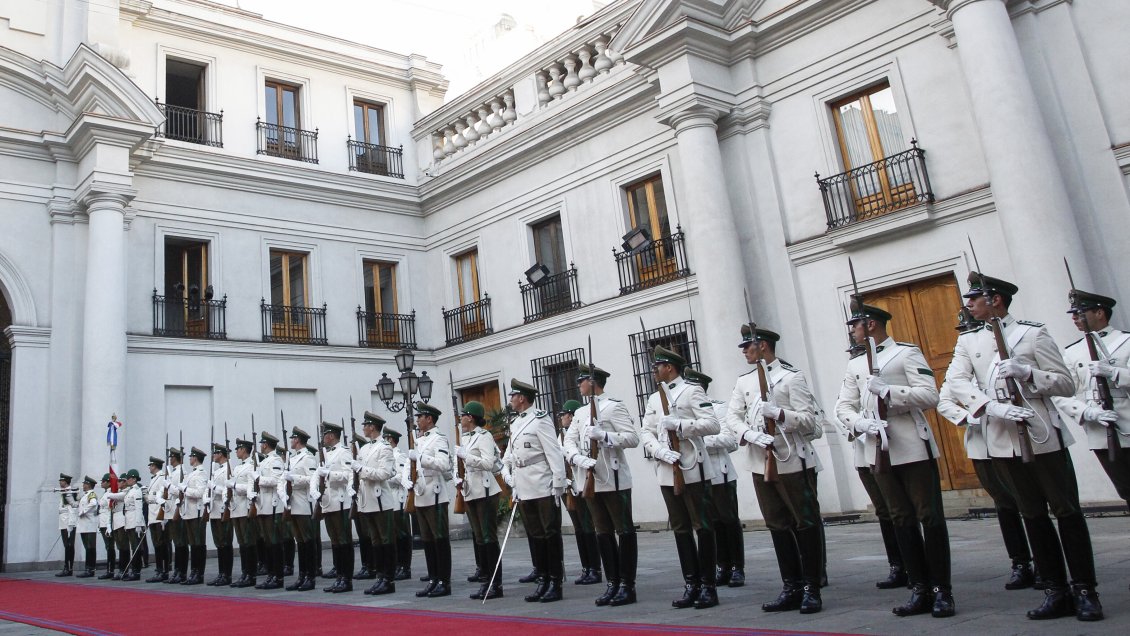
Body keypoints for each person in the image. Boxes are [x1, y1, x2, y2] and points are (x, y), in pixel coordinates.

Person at [945, 272, 1101, 621]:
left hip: (1042, 435)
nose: (969, 304)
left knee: (1066, 512)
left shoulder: (1032, 334)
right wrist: (989, 406)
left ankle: (1085, 589)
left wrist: (1030, 374)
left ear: (995, 300)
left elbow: (1065, 383)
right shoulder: (969, 341)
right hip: (1002, 439)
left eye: (975, 298)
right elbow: (955, 382)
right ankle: (1055, 589)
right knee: (1032, 515)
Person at [836, 301, 953, 618]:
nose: (852, 331)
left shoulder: (905, 353)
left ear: (870, 325)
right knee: (900, 517)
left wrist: (890, 391)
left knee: (929, 516)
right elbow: (844, 406)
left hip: (911, 446)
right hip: (878, 447)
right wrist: (860, 423)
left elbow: (929, 395)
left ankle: (942, 590)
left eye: (855, 325)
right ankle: (920, 588)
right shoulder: (855, 365)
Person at [939, 308, 1037, 590]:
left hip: (1011, 437)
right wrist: (969, 415)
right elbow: (944, 400)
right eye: (963, 332)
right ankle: (1020, 561)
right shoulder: (959, 369)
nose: (967, 336)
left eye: (971, 330)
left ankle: (1043, 559)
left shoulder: (998, 360)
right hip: (981, 444)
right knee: (1004, 504)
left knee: (1029, 502)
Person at [727, 327, 823, 613]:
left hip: (792, 459)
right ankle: (791, 585)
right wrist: (750, 434)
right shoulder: (744, 381)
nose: (744, 351)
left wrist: (780, 414)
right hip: (761, 460)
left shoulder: (791, 377)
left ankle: (812, 587)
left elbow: (809, 421)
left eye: (748, 345)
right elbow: (732, 417)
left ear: (764, 346)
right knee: (777, 524)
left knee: (805, 523)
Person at [640, 346, 721, 610]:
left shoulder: (691, 390)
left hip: (693, 468)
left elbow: (712, 424)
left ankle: (708, 585)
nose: (654, 371)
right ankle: (691, 583)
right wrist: (659, 451)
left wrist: (681, 426)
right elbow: (646, 432)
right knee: (681, 529)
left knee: (703, 527)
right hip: (667, 470)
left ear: (670, 367)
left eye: (657, 367)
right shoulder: (655, 399)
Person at [565, 363, 641, 606]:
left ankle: (627, 585)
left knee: (624, 531)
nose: (578, 385)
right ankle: (612, 583)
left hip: (613, 477)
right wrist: (577, 458)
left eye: (581, 380)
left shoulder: (613, 406)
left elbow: (632, 438)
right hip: (590, 478)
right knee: (602, 532)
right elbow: (569, 441)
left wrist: (605, 436)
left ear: (593, 382)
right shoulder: (579, 413)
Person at [1052, 289, 1130, 510]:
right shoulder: (1073, 351)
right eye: (1073, 314)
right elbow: (1063, 391)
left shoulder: (1125, 341)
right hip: (1100, 429)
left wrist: (1115, 372)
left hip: (1127, 422)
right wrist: (1086, 412)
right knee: (1125, 488)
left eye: (1080, 313)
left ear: (1099, 312)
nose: (1075, 318)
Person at [501, 379, 567, 603]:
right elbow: (511, 455)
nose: (511, 399)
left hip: (542, 482)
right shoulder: (516, 422)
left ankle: (555, 582)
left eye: (513, 395)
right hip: (524, 484)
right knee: (536, 535)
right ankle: (543, 579)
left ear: (522, 398)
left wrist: (558, 482)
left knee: (550, 534)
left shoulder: (540, 419)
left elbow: (553, 452)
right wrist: (511, 480)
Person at [685, 368, 746, 591]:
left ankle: (737, 567)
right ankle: (722, 565)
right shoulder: (685, 412)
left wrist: (699, 442)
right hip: (698, 473)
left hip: (720, 473)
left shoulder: (718, 408)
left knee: (729, 520)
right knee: (711, 522)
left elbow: (730, 440)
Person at [457, 401, 505, 600]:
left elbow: (488, 463)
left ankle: (495, 583)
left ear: (471, 417)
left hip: (485, 490)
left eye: (463, 415)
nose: (461, 419)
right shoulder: (464, 437)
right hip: (470, 490)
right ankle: (485, 580)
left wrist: (467, 457)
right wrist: (457, 477)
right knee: (479, 538)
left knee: (488, 537)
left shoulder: (484, 436)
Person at [409, 402, 454, 598]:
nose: (418, 420)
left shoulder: (439, 439)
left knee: (440, 539)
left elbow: (443, 464)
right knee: (427, 540)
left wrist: (421, 458)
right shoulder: (419, 440)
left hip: (435, 493)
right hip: (421, 493)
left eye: (420, 417)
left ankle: (444, 581)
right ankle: (433, 579)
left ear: (429, 419)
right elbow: (411, 465)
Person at [557, 400, 602, 587]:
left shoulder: (579, 433)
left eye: (564, 414)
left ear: (572, 415)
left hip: (581, 483)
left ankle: (595, 568)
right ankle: (586, 567)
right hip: (568, 486)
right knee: (578, 528)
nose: (562, 418)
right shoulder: (561, 435)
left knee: (587, 526)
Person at [353, 412, 399, 595]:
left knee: (386, 540)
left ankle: (389, 579)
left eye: (365, 425)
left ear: (372, 427)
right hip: (367, 500)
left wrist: (362, 470)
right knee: (375, 541)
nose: (363, 428)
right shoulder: (364, 449)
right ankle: (380, 577)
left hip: (380, 500)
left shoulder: (384, 447)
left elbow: (384, 473)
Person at [317, 420, 354, 593]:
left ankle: (346, 578)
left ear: (331, 435)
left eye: (325, 435)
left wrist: (330, 474)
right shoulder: (326, 454)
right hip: (328, 502)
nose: (323, 438)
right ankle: (339, 576)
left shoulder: (343, 452)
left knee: (344, 541)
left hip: (341, 502)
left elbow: (348, 475)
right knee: (335, 542)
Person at [285, 426, 319, 591]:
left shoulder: (308, 458)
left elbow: (312, 479)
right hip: (292, 503)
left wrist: (294, 478)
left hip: (304, 502)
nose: (291, 441)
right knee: (300, 541)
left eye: (293, 438)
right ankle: (302, 576)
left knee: (307, 541)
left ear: (297, 440)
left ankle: (310, 577)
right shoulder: (292, 458)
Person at [254, 433, 286, 589]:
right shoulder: (264, 461)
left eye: (262, 443)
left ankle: (278, 577)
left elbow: (276, 480)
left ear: (266, 444)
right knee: (268, 543)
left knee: (275, 543)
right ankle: (271, 574)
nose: (261, 446)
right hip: (263, 506)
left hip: (272, 505)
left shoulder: (275, 460)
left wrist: (259, 480)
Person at [384, 428, 413, 581]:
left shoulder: (399, 455)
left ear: (391, 440)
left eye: (386, 439)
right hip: (389, 498)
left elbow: (402, 477)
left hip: (398, 497)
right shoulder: (386, 456)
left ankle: (405, 566)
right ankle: (397, 565)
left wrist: (386, 479)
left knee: (402, 534)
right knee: (393, 535)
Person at [228, 437, 258, 588]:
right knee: (241, 543)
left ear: (244, 450)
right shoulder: (238, 468)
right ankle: (244, 572)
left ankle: (251, 575)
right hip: (236, 509)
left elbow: (250, 488)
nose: (236, 452)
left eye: (238, 449)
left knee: (249, 542)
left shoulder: (251, 466)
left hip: (246, 508)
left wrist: (235, 486)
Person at [204, 443, 234, 586]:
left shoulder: (229, 469)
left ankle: (227, 574)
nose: (213, 456)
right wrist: (206, 497)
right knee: (219, 544)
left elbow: (228, 490)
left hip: (224, 509)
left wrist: (214, 487)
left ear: (221, 454)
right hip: (214, 509)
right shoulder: (216, 470)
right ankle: (221, 573)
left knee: (225, 543)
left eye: (215, 453)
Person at [108, 469, 145, 580]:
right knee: (132, 547)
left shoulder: (136, 491)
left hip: (134, 522)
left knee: (135, 548)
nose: (127, 480)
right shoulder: (130, 491)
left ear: (134, 479)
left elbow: (139, 508)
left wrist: (138, 524)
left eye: (128, 478)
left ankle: (136, 572)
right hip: (129, 522)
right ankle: (131, 571)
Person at [179, 447, 209, 585]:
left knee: (198, 544)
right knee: (193, 544)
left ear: (195, 458)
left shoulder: (201, 473)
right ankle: (193, 572)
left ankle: (198, 573)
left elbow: (200, 493)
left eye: (191, 456)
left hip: (197, 512)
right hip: (189, 512)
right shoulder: (192, 473)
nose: (189, 459)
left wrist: (185, 489)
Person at [163, 446, 187, 584]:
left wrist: (169, 486)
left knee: (180, 543)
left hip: (178, 511)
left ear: (175, 458)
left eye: (171, 457)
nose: (170, 459)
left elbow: (180, 492)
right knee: (176, 543)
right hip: (171, 510)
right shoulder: (173, 472)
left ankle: (181, 572)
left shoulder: (181, 472)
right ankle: (177, 571)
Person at [144, 457, 170, 583]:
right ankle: (159, 569)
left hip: (159, 515)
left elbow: (163, 496)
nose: (149, 467)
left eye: (150, 465)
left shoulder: (162, 477)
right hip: (152, 516)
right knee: (156, 544)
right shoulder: (154, 479)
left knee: (161, 544)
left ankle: (164, 570)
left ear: (155, 466)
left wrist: (163, 517)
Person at [75, 476, 100, 578]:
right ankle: (88, 568)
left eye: (85, 484)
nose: (83, 485)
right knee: (87, 547)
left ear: (89, 485)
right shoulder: (85, 495)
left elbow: (93, 503)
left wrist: (83, 511)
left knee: (90, 547)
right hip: (84, 525)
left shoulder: (91, 494)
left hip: (90, 524)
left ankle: (90, 569)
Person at [55, 473, 77, 577]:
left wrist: (70, 523)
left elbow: (72, 508)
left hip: (68, 521)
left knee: (69, 545)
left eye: (62, 481)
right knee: (67, 545)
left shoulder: (69, 492)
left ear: (66, 482)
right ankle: (67, 567)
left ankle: (68, 568)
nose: (60, 482)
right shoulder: (64, 491)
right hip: (63, 520)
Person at [97, 474, 116, 580]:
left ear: (109, 482)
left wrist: (108, 525)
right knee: (108, 547)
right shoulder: (105, 493)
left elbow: (109, 509)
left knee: (110, 547)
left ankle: (110, 570)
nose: (102, 483)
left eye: (104, 481)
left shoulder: (110, 493)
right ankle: (109, 570)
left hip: (107, 523)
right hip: (103, 523)